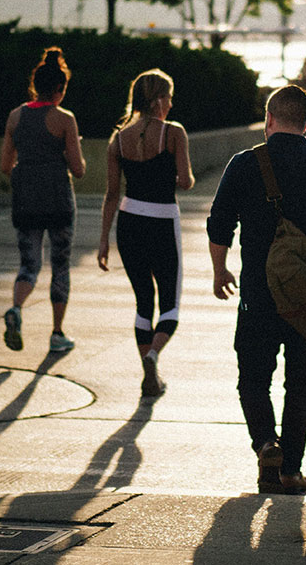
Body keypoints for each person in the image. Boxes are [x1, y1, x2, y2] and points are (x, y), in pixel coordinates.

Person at [206, 85, 306, 495]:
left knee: (253, 379)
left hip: (257, 292)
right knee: (300, 384)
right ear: (305, 122)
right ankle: (289, 471)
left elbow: (219, 224)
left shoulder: (243, 164)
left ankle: (265, 443)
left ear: (270, 119)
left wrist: (221, 271)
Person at [98, 69, 194, 397]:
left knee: (143, 301)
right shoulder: (173, 133)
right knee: (170, 304)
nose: (170, 103)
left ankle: (147, 371)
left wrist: (102, 241)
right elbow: (185, 180)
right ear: (158, 100)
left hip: (128, 223)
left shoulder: (118, 139)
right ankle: (153, 355)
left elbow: (112, 194)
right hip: (162, 221)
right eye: (168, 98)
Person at [0, 47, 86, 352]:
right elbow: (78, 169)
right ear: (60, 89)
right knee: (60, 265)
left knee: (29, 265)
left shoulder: (15, 116)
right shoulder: (65, 119)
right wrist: (65, 150)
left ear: (35, 86)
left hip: (26, 200)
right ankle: (57, 333)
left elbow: (5, 165)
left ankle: (16, 309)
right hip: (58, 201)